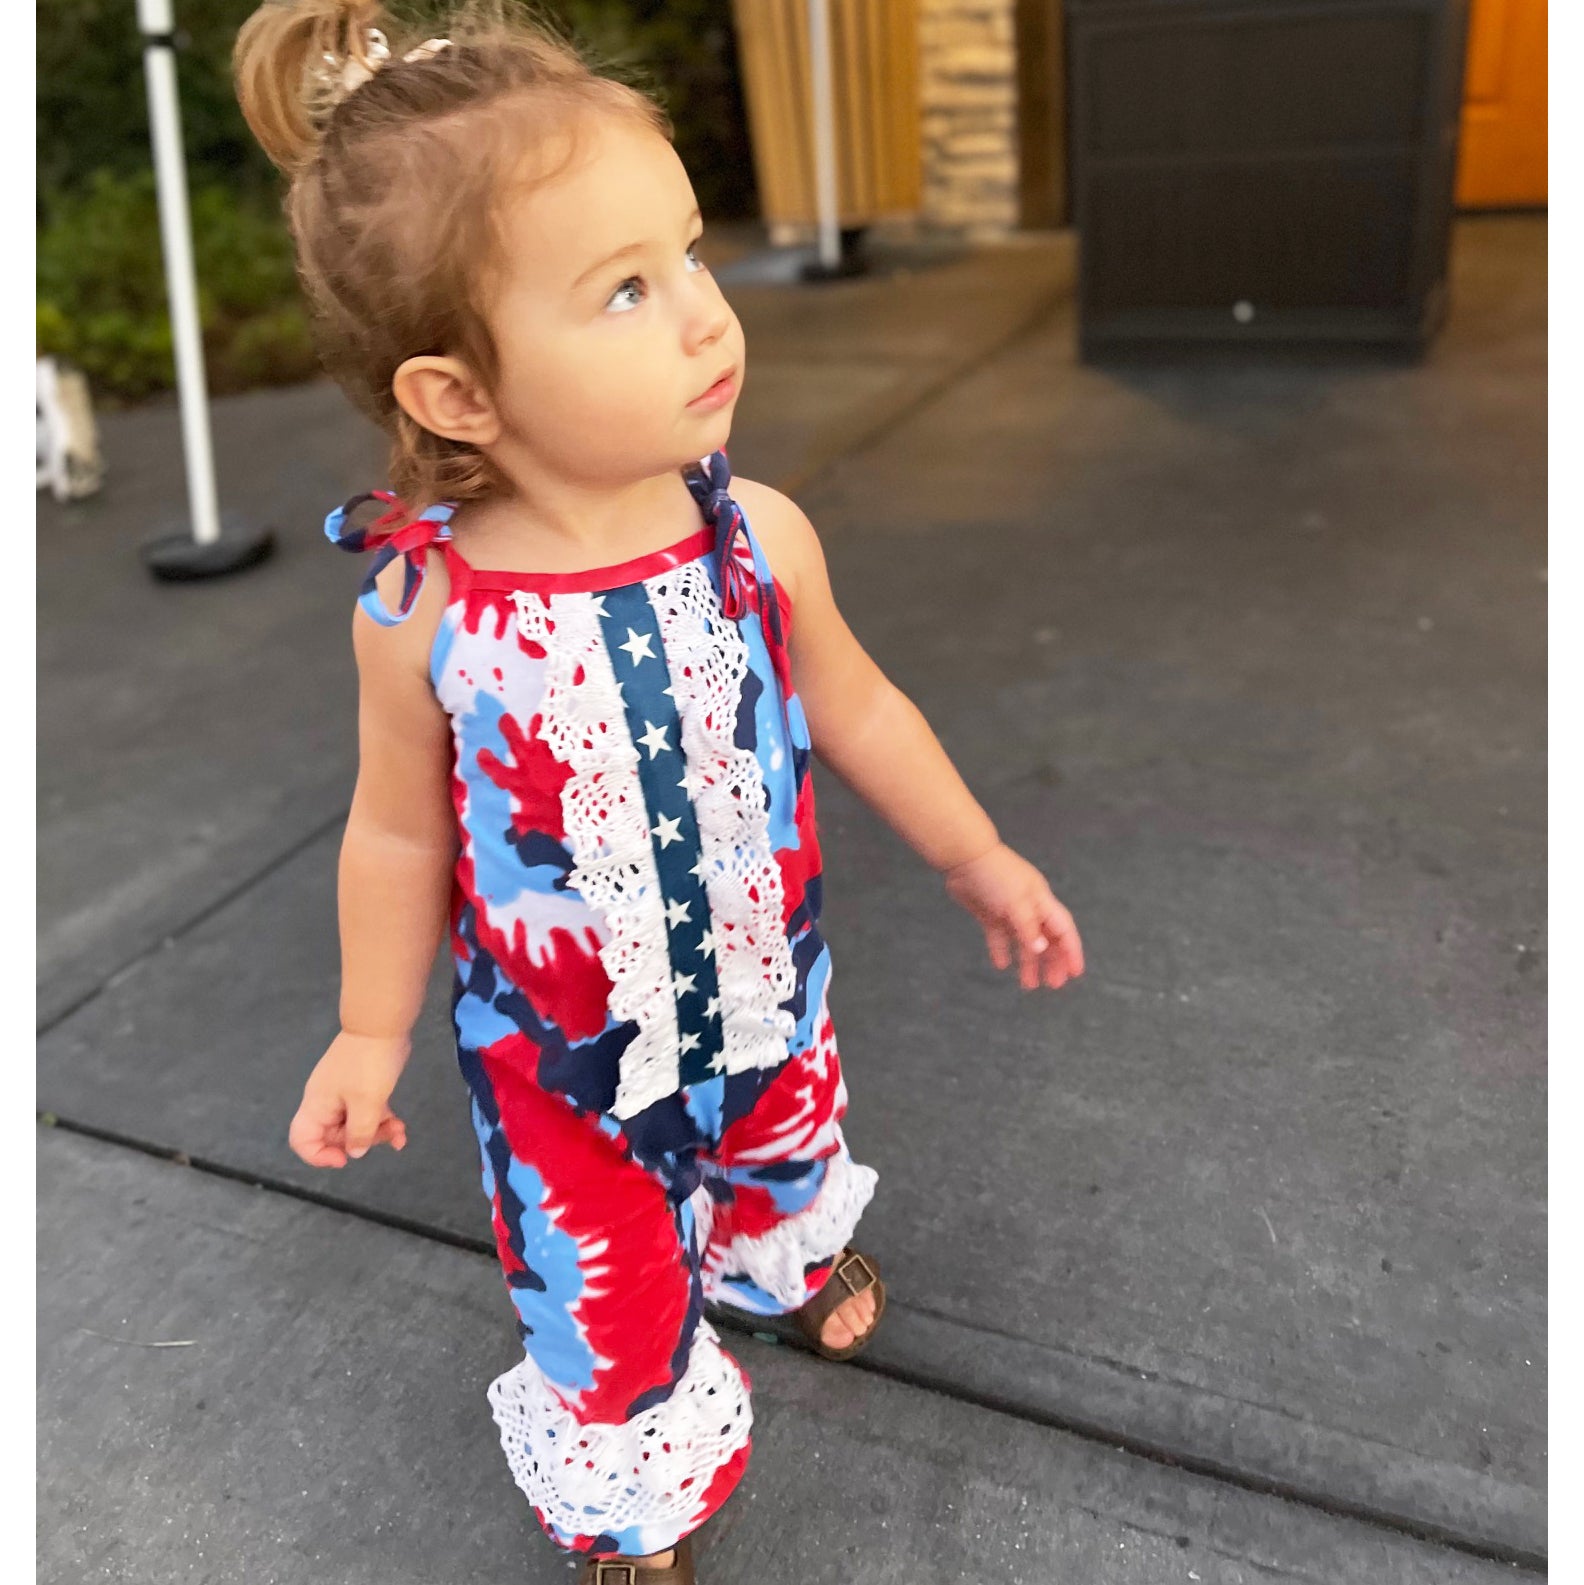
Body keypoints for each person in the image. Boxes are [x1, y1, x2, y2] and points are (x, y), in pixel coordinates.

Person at [234, 3, 1085, 1579]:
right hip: (560, 1073)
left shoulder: (752, 532)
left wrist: (975, 853)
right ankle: (632, 1481)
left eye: (691, 252)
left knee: (787, 1137)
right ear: (457, 395)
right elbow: (398, 824)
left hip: (769, 990)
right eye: (628, 289)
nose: (708, 314)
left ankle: (776, 1257)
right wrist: (368, 1025)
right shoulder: (426, 614)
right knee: (601, 1289)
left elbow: (859, 701)